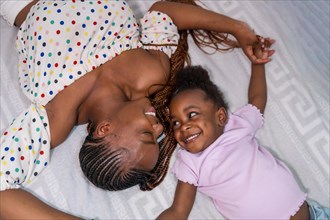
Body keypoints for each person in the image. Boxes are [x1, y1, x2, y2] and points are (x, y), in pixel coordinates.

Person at [0, 0, 273, 219]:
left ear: (105, 129)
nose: (159, 127)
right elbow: (164, 13)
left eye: (147, 135)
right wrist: (237, 28)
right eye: (157, 137)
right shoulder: (151, 73)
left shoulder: (59, 112)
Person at [157, 43, 330, 219]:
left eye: (192, 114)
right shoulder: (190, 162)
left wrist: (258, 64)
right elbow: (178, 211)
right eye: (176, 123)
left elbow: (257, 97)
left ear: (221, 117)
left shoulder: (237, 125)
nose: (183, 126)